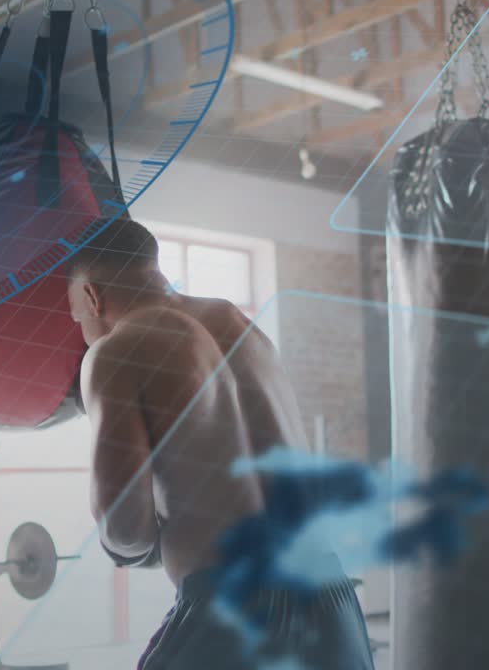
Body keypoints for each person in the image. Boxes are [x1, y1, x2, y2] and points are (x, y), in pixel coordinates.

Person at [66, 218, 374, 669]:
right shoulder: (237, 322)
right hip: (330, 598)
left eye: (77, 316)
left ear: (92, 295)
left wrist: (142, 542)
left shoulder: (117, 349)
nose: (82, 329)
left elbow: (125, 531)